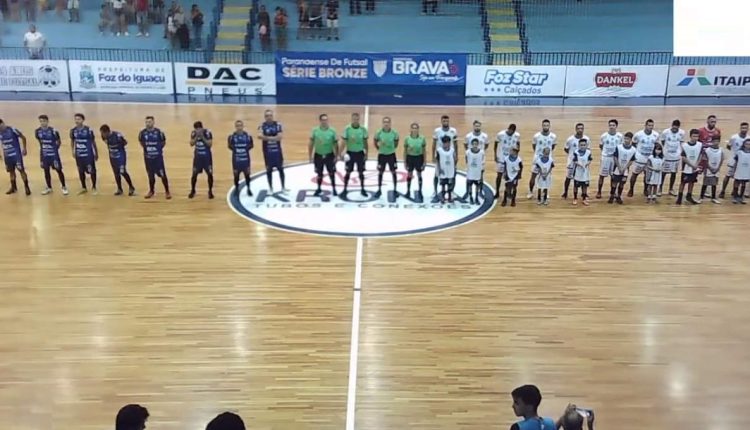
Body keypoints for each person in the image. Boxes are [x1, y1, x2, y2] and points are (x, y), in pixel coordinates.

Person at [139, 115, 171, 199]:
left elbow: (163, 142)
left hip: (158, 159)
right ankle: (151, 191)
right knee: (150, 175)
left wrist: (157, 150)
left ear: (153, 122)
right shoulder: (142, 133)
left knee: (163, 175)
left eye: (149, 122)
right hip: (148, 159)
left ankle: (167, 191)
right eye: (146, 122)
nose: (147, 123)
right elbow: (142, 143)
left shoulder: (159, 133)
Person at [36, 115, 67, 195]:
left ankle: (64, 187)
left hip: (54, 155)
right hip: (44, 155)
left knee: (59, 170)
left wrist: (55, 150)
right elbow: (40, 143)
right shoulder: (37, 131)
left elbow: (59, 141)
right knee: (46, 171)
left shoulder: (53, 131)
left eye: (44, 121)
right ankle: (49, 187)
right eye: (41, 121)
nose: (42, 123)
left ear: (47, 121)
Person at [99, 125, 135, 196]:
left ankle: (131, 187)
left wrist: (118, 147)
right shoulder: (103, 136)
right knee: (116, 173)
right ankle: (119, 189)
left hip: (120, 156)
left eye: (103, 133)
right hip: (112, 157)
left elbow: (125, 142)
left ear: (107, 132)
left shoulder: (117, 136)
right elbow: (105, 141)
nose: (102, 135)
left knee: (123, 171)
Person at [308, 113, 338, 197]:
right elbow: (311, 144)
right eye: (323, 120)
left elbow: (336, 144)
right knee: (319, 174)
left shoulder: (332, 131)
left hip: (329, 155)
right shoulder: (315, 131)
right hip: (318, 155)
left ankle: (334, 189)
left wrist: (336, 156)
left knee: (331, 173)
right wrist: (310, 156)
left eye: (326, 120)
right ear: (320, 121)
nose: (325, 121)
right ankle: (318, 188)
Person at [629, 119, 660, 197]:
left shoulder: (656, 135)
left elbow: (656, 145)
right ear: (645, 125)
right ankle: (631, 189)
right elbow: (633, 143)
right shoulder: (638, 134)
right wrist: (636, 153)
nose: (651, 127)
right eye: (649, 125)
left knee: (647, 176)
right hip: (639, 158)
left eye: (652, 125)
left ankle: (645, 190)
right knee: (634, 174)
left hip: (649, 159)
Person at [0, 119, 31, 195]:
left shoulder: (12, 130)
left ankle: (27, 187)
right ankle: (13, 187)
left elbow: (23, 137)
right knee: (11, 171)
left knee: (21, 170)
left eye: (1, 126)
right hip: (7, 156)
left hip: (16, 155)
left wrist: (24, 148)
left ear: (3, 123)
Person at [70, 113, 99, 195]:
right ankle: (83, 187)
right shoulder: (73, 131)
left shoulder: (88, 130)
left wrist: (96, 152)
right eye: (75, 119)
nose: (77, 121)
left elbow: (93, 142)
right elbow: (72, 141)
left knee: (92, 171)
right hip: (79, 155)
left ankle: (94, 187)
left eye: (78, 119)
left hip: (88, 155)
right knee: (80, 171)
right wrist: (72, 151)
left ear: (83, 120)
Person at [341, 112, 368, 197]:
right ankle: (345, 189)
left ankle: (363, 189)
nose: (355, 120)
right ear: (351, 119)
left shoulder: (363, 129)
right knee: (348, 172)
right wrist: (339, 153)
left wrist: (366, 153)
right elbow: (344, 142)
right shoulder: (347, 129)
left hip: (360, 153)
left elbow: (365, 142)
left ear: (358, 119)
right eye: (354, 119)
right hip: (350, 153)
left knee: (361, 172)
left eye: (357, 119)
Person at [258, 110, 286, 192]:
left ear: (272, 116)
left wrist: (267, 138)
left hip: (277, 152)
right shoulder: (262, 126)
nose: (269, 117)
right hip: (267, 153)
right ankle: (270, 188)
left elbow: (280, 137)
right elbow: (259, 136)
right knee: (269, 170)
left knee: (280, 169)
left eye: (270, 115)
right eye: (267, 116)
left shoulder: (278, 125)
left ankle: (283, 187)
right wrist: (274, 138)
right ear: (265, 117)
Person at [527, 119, 556, 199]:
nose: (545, 127)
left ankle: (545, 192)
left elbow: (552, 147)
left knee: (546, 177)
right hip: (537, 159)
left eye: (547, 125)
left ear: (549, 126)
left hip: (547, 161)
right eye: (544, 125)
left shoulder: (553, 136)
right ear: (542, 126)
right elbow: (534, 146)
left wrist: (547, 156)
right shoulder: (537, 136)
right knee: (533, 176)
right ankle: (530, 191)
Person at [432, 115, 458, 200]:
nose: (445, 122)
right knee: (437, 174)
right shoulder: (437, 131)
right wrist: (433, 156)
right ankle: (435, 191)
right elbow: (434, 144)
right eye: (444, 121)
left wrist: (456, 155)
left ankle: (452, 191)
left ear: (449, 121)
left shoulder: (453, 131)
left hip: (450, 155)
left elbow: (455, 144)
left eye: (447, 121)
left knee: (453, 174)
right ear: (441, 121)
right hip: (440, 155)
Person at [720, 122, 748, 199]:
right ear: (740, 128)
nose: (744, 129)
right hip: (733, 160)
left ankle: (734, 191)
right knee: (728, 175)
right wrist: (733, 154)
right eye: (743, 128)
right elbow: (728, 146)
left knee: (739, 177)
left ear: (748, 129)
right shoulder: (734, 137)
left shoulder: (748, 138)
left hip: (742, 161)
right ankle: (723, 191)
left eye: (745, 128)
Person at [596, 119, 623, 199]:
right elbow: (601, 146)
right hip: (605, 158)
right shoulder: (604, 136)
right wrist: (606, 153)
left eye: (613, 125)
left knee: (613, 176)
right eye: (610, 125)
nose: (611, 127)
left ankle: (612, 192)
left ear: (616, 126)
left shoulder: (620, 136)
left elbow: (621, 148)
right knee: (602, 175)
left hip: (614, 159)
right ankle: (599, 191)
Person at [676, 129, 703, 205]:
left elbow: (701, 154)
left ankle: (689, 196)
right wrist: (692, 165)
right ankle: (679, 198)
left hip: (695, 167)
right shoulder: (684, 145)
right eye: (694, 136)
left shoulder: (699, 145)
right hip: (686, 168)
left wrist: (697, 164)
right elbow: (684, 157)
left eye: (697, 136)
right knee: (683, 182)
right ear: (690, 136)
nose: (695, 138)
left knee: (692, 182)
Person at [374, 116, 399, 199]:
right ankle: (379, 190)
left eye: (387, 122)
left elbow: (396, 142)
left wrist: (391, 149)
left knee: (393, 172)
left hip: (391, 155)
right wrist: (379, 148)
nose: (386, 124)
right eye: (384, 122)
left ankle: (395, 190)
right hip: (382, 155)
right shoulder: (378, 132)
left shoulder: (394, 133)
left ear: (390, 123)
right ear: (382, 123)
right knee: (380, 172)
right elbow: (375, 141)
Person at [562, 123, 589, 199]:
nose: (580, 130)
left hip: (582, 163)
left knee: (583, 177)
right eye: (578, 128)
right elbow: (566, 149)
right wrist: (572, 156)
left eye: (582, 128)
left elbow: (588, 150)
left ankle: (584, 193)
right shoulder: (570, 139)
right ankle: (565, 192)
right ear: (576, 129)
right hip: (571, 162)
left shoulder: (586, 139)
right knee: (568, 177)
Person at [494, 123, 520, 199]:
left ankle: (509, 192)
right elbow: (495, 144)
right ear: (508, 129)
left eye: (513, 131)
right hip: (501, 158)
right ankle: (497, 192)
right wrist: (495, 155)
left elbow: (518, 145)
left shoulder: (517, 136)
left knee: (510, 177)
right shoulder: (501, 134)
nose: (511, 132)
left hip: (511, 160)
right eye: (510, 130)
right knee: (499, 176)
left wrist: (516, 155)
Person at [228, 120, 254, 197]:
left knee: (247, 176)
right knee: (236, 176)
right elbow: (230, 146)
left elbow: (251, 146)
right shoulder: (231, 137)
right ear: (235, 127)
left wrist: (242, 150)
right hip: (236, 160)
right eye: (237, 126)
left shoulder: (248, 137)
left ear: (243, 126)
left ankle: (249, 188)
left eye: (240, 126)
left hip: (246, 160)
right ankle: (236, 188)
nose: (239, 127)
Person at [659, 119, 685, 196]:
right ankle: (660, 188)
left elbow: (681, 143)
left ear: (678, 127)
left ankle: (671, 189)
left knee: (673, 173)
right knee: (663, 173)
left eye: (676, 128)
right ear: (671, 126)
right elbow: (663, 142)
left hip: (676, 157)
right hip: (667, 156)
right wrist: (666, 150)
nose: (674, 129)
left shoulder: (682, 133)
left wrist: (679, 152)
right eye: (673, 127)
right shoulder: (665, 132)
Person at [189, 121, 214, 199]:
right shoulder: (194, 133)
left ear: (202, 128)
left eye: (200, 129)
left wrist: (202, 137)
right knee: (194, 175)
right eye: (197, 130)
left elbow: (209, 144)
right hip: (198, 158)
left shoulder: (207, 133)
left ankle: (210, 191)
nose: (198, 131)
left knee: (210, 174)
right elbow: (191, 143)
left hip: (207, 158)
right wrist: (197, 136)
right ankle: (193, 190)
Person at [609, 132, 636, 204]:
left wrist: (625, 168)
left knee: (622, 183)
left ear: (631, 139)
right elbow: (615, 157)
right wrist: (619, 167)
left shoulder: (633, 149)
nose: (626, 140)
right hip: (617, 169)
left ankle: (618, 196)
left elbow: (631, 160)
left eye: (628, 139)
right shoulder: (619, 147)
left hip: (625, 170)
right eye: (625, 138)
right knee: (614, 182)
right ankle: (612, 195)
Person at [403, 122, 426, 201]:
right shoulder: (407, 139)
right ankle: (408, 191)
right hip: (410, 158)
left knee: (419, 174)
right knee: (409, 174)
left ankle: (420, 191)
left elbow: (424, 151)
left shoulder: (422, 138)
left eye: (416, 128)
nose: (415, 129)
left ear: (418, 129)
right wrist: (405, 162)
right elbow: (405, 151)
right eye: (413, 128)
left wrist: (424, 162)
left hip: (419, 158)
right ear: (411, 129)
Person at [700, 137, 724, 204]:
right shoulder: (707, 150)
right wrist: (710, 168)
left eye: (717, 141)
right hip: (708, 169)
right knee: (705, 184)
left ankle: (713, 198)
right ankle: (701, 197)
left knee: (714, 184)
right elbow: (705, 160)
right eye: (714, 141)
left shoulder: (721, 150)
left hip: (716, 170)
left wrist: (718, 168)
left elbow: (721, 160)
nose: (716, 143)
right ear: (712, 142)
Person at [572, 138, 592, 206]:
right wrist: (580, 165)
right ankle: (575, 198)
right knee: (576, 186)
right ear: (579, 145)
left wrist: (587, 164)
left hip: (585, 173)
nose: (582, 146)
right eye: (581, 145)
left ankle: (584, 199)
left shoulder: (588, 152)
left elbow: (589, 160)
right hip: (577, 172)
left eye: (584, 145)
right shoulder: (576, 152)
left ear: (586, 145)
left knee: (584, 186)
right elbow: (575, 161)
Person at [436, 135, 456, 203]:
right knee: (443, 185)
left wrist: (454, 168)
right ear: (443, 143)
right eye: (445, 142)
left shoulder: (452, 150)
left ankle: (450, 196)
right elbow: (437, 160)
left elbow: (454, 159)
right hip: (443, 170)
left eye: (448, 142)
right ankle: (442, 197)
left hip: (450, 170)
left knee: (450, 185)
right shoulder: (439, 150)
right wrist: (439, 169)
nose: (447, 144)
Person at [465, 138, 485, 205]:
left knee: (477, 186)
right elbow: (466, 160)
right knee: (470, 185)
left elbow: (482, 160)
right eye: (473, 144)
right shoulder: (468, 152)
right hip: (470, 171)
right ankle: (471, 197)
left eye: (476, 144)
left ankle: (476, 198)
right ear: (471, 144)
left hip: (477, 172)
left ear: (478, 144)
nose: (475, 145)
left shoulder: (481, 152)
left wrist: (482, 168)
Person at [731, 138, 750, 204]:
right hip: (739, 170)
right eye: (747, 144)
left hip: (746, 171)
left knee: (744, 184)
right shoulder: (739, 152)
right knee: (737, 183)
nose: (748, 145)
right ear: (744, 144)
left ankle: (741, 197)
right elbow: (736, 162)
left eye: (749, 144)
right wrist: (733, 171)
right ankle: (735, 197)